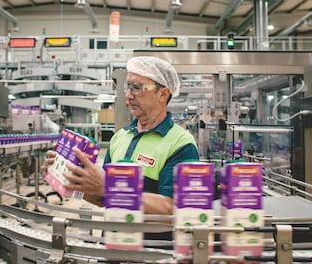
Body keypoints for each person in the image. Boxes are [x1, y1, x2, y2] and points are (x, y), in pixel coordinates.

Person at [43, 56, 199, 218]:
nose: (128, 95)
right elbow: (104, 198)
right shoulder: (120, 137)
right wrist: (69, 179)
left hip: (152, 243)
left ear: (163, 94)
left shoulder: (181, 143)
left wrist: (109, 186)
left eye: (137, 88)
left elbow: (174, 208)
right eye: (128, 87)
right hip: (113, 238)